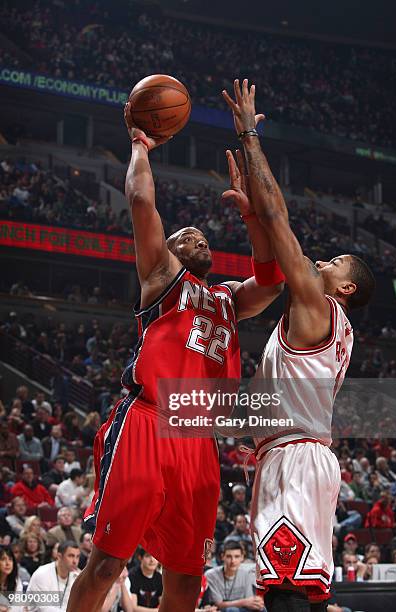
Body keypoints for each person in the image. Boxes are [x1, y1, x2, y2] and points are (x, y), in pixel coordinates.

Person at [67, 97, 284, 612]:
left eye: (203, 235)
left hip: (197, 440)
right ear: (172, 250)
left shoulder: (228, 298)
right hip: (147, 420)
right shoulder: (162, 277)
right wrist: (141, 147)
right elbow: (142, 203)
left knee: (187, 581)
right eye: (186, 236)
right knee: (106, 563)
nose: (197, 237)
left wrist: (253, 216)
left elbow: (273, 280)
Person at [223, 79, 375, 610]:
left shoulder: (316, 304)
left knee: (285, 594)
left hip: (297, 456)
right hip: (290, 453)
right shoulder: (322, 317)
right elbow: (270, 236)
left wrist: (249, 134)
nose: (321, 263)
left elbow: (280, 219)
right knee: (293, 589)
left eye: (333, 263)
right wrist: (250, 219)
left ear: (346, 287)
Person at [206, 541, 263, 610]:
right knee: (232, 609)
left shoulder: (247, 573)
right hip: (223, 609)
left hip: (243, 609)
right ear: (222, 557)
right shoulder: (211, 575)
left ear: (242, 557)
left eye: (237, 556)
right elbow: (218, 604)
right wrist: (243, 602)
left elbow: (249, 600)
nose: (233, 561)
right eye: (229, 556)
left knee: (261, 608)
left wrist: (256, 603)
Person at [27, 540, 80, 611]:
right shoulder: (42, 574)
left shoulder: (76, 576)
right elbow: (44, 609)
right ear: (59, 556)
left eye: (77, 557)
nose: (75, 561)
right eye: (71, 556)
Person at [0, 545, 24, 612]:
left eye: (10, 559)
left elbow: (19, 606)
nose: (8, 563)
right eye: (3, 559)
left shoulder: (17, 581)